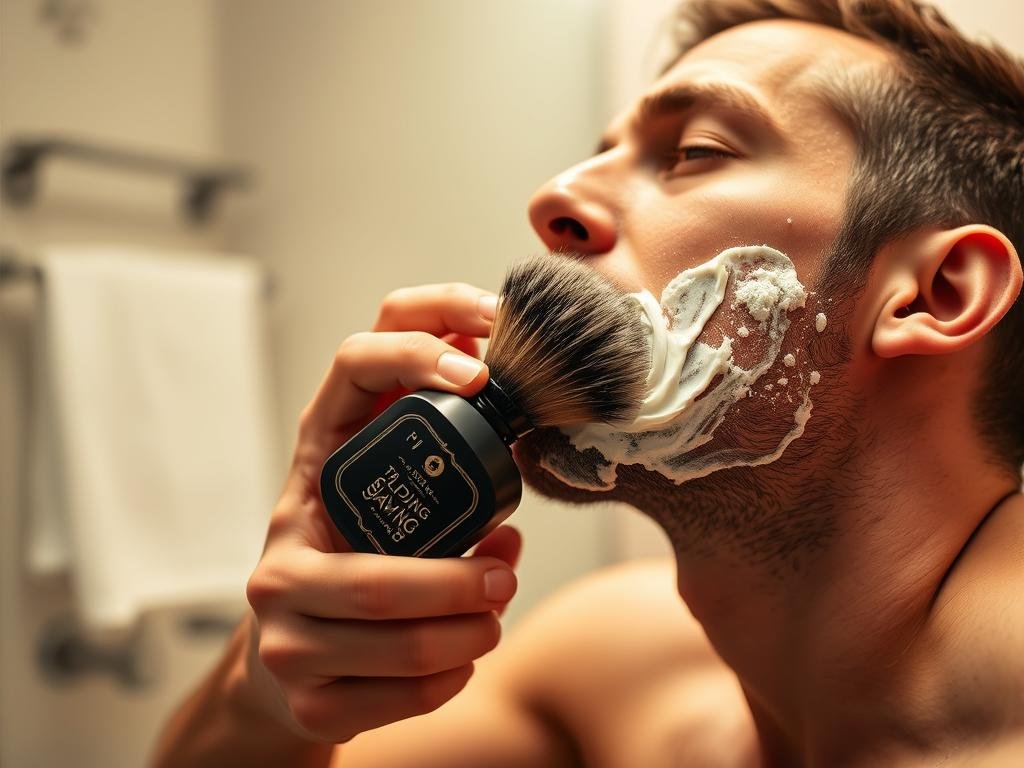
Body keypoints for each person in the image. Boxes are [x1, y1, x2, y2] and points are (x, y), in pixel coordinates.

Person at [152, 0, 1024, 765]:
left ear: (936, 295)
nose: (553, 196)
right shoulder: (611, 667)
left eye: (694, 150)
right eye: (597, 152)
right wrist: (265, 692)